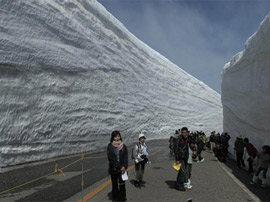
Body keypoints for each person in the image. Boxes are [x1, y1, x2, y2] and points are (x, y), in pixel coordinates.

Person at [107, 131, 128, 201]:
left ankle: (122, 198)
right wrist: (120, 167)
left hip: (122, 170)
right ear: (113, 137)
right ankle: (115, 198)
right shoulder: (110, 147)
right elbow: (111, 159)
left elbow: (125, 157)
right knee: (115, 185)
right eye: (115, 136)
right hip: (114, 169)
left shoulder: (123, 146)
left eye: (118, 136)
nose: (117, 138)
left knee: (122, 185)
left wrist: (124, 166)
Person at [174, 127, 189, 191]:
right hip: (180, 158)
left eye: (185, 132)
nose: (184, 134)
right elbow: (176, 150)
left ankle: (178, 183)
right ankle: (180, 185)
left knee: (181, 171)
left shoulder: (186, 139)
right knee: (183, 171)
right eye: (183, 132)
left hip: (185, 157)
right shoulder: (179, 139)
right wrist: (177, 159)